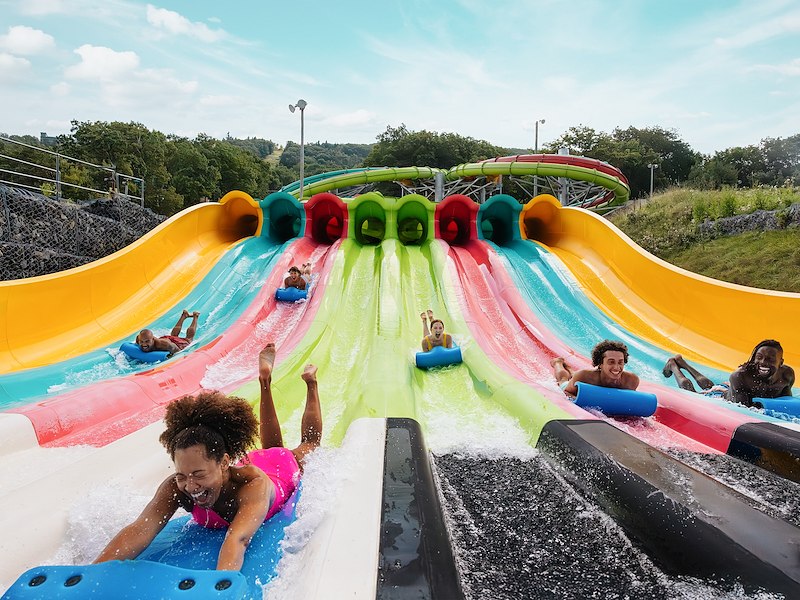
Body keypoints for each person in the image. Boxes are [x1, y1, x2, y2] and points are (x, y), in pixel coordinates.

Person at [94, 343, 322, 571]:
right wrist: (91, 572)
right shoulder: (177, 487)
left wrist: (220, 587)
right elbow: (141, 530)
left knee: (308, 444)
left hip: (279, 469)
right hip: (250, 461)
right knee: (271, 445)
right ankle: (265, 380)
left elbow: (238, 539)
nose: (190, 486)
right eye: (182, 475)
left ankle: (310, 383)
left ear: (224, 463)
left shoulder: (252, 486)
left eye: (198, 474)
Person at [662, 339, 795, 408]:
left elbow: (786, 401)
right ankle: (673, 366)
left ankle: (682, 362)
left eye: (770, 359)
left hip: (729, 388)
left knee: (710, 387)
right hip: (721, 398)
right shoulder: (741, 376)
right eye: (758, 357)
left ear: (781, 362)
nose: (763, 362)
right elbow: (743, 409)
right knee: (694, 394)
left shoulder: (786, 375)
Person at [551, 340, 640, 397]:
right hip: (569, 385)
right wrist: (578, 400)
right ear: (600, 364)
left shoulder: (631, 381)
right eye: (611, 362)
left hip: (580, 378)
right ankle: (557, 362)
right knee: (563, 380)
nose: (617, 367)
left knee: (575, 376)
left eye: (620, 362)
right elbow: (566, 392)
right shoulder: (584, 376)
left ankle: (570, 371)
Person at [136, 310, 200, 357]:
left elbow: (177, 350)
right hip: (166, 339)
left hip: (173, 345)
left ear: (152, 339)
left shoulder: (164, 345)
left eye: (147, 341)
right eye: (142, 341)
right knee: (174, 336)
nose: (144, 344)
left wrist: (171, 355)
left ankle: (195, 316)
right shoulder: (139, 339)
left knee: (188, 339)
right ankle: (184, 316)